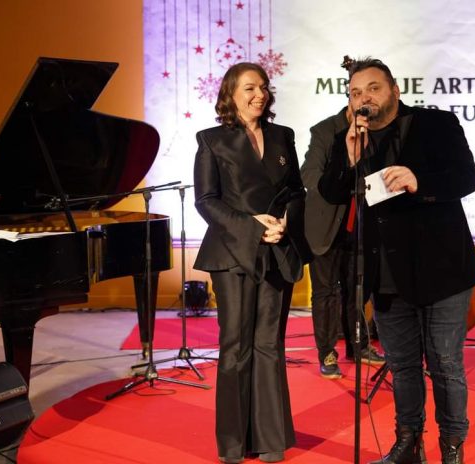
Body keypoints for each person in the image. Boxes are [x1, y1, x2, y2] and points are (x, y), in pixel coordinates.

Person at [318, 57, 475, 464]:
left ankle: (452, 447)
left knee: (445, 364)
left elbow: (467, 178)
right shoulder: (350, 138)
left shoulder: (436, 124)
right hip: (386, 274)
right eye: (356, 92)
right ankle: (408, 444)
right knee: (402, 365)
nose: (364, 98)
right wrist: (349, 158)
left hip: (442, 270)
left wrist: (418, 181)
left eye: (373, 88)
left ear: (394, 90)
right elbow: (331, 192)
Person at [193, 62, 311, 464]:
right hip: (232, 252)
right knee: (235, 346)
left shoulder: (282, 136)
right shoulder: (212, 140)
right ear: (231, 93)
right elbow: (206, 200)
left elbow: (296, 191)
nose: (259, 94)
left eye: (263, 87)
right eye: (249, 88)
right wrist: (251, 227)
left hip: (278, 248)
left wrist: (285, 222)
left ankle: (270, 439)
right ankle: (232, 444)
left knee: (269, 344)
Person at [300, 104, 384, 379]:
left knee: (357, 288)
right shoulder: (325, 130)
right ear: (350, 102)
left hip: (360, 222)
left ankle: (358, 346)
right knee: (326, 292)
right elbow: (308, 174)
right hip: (325, 223)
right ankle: (327, 353)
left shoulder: (378, 129)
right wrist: (340, 182)